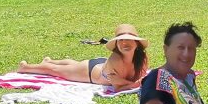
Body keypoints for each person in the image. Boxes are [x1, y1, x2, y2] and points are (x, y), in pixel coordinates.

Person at [17, 23, 148, 91]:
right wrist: (135, 83)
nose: (125, 43)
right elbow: (118, 86)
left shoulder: (142, 57)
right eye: (121, 40)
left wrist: (135, 82)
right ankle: (25, 67)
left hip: (100, 65)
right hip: (90, 72)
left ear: (137, 43)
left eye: (129, 40)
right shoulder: (115, 59)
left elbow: (140, 79)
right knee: (53, 70)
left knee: (73, 63)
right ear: (116, 44)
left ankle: (50, 60)